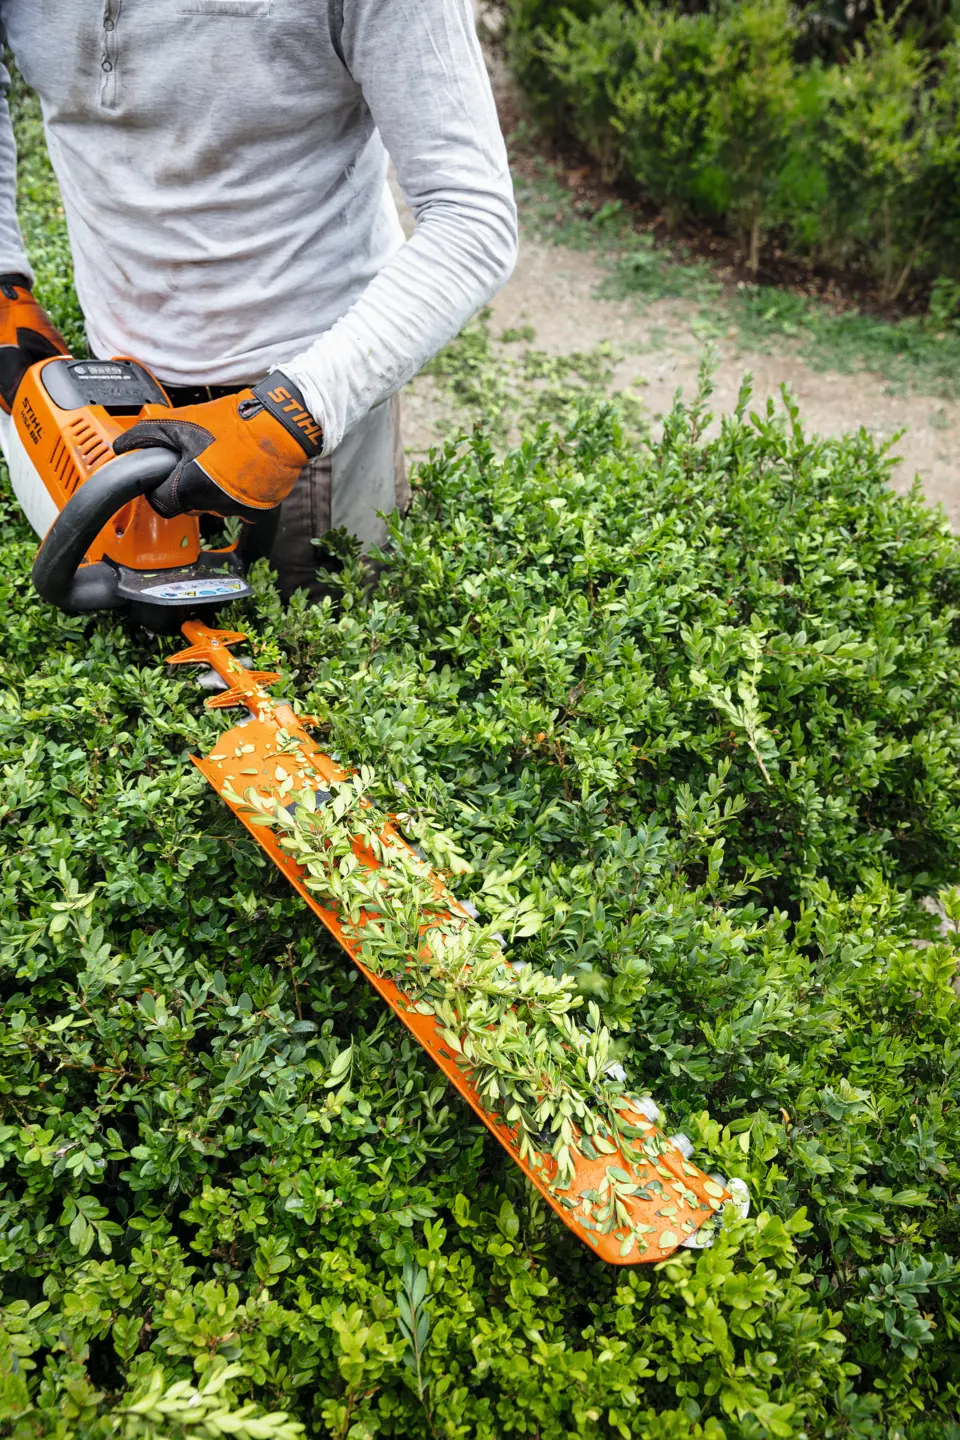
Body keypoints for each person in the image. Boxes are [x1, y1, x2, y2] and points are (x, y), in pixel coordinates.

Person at [0, 1, 518, 599]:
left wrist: (291, 418)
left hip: (309, 416)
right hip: (110, 402)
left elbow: (471, 215)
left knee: (320, 667)